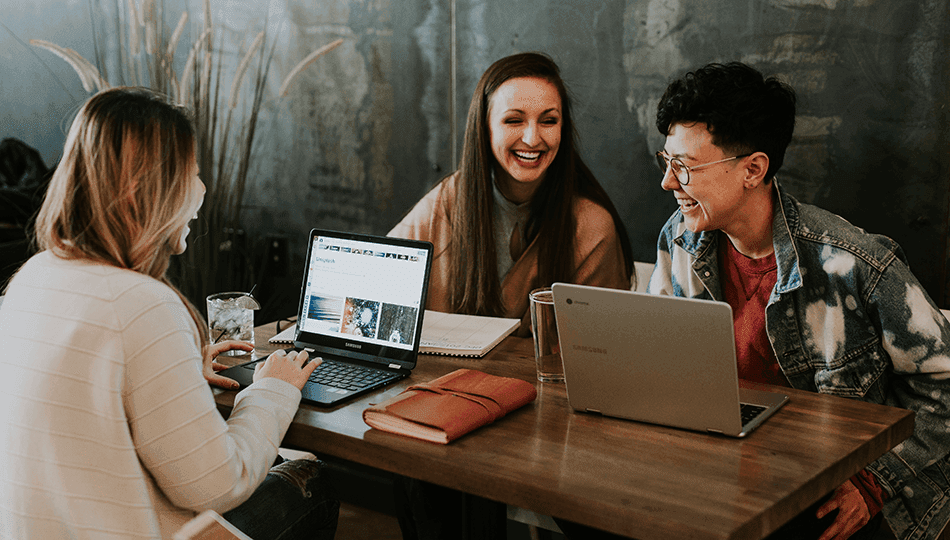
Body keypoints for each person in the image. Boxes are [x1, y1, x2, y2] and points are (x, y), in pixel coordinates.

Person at [0, 87, 339, 539]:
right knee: (314, 479)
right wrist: (272, 391)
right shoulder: (142, 304)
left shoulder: (32, 277)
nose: (201, 190)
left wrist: (176, 369)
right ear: (148, 189)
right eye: (192, 173)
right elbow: (216, 486)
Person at [648, 62, 950, 540]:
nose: (668, 182)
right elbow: (658, 364)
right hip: (729, 473)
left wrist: (875, 483)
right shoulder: (679, 240)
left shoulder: (853, 264)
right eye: (665, 161)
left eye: (684, 166)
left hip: (833, 492)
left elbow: (945, 384)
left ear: (753, 169)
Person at [389, 51, 635, 336]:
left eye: (549, 121)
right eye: (513, 121)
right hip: (443, 380)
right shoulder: (446, 202)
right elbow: (374, 285)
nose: (532, 138)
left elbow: (603, 350)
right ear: (485, 128)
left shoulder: (592, 227)